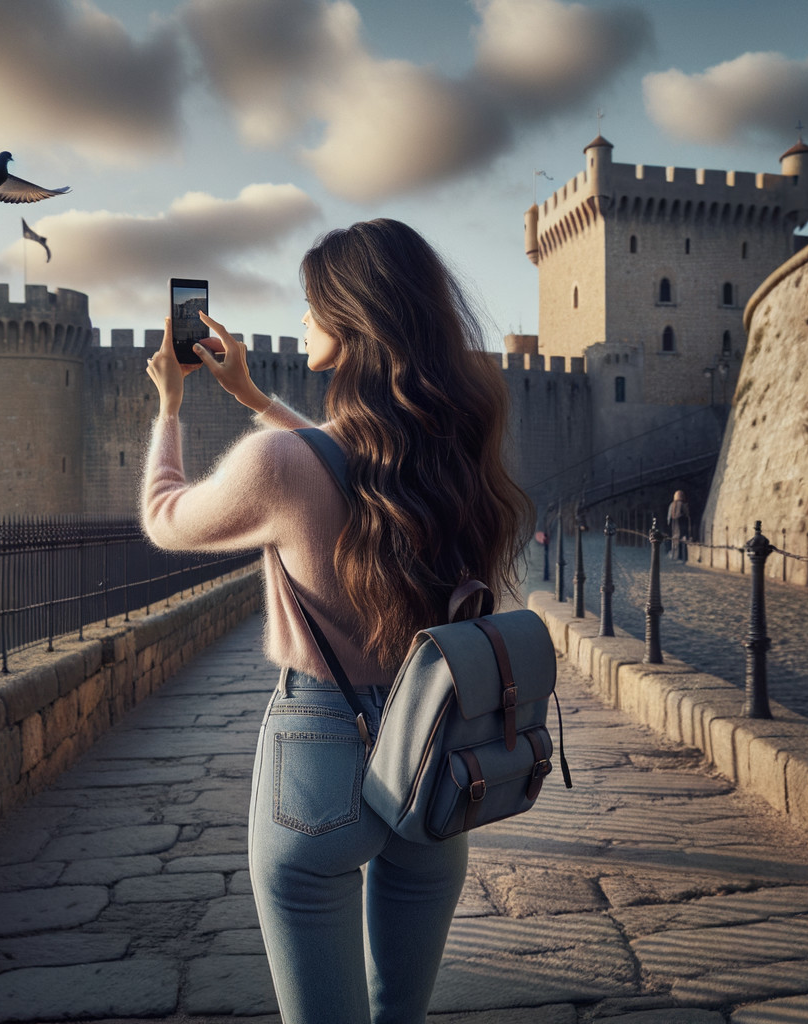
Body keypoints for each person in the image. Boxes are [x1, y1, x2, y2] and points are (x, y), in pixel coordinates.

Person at [141, 219, 534, 1023]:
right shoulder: (458, 453)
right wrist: (255, 399)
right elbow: (353, 467)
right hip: (433, 750)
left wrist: (171, 409)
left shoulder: (276, 468)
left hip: (318, 754)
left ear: (350, 320)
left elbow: (165, 517)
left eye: (313, 302)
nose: (302, 319)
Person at [667, 489, 691, 561]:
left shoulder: (672, 505)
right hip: (682, 523)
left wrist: (669, 523)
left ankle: (676, 556)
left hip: (674, 525)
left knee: (675, 540)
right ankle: (681, 556)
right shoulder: (683, 504)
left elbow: (669, 517)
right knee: (682, 540)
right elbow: (687, 514)